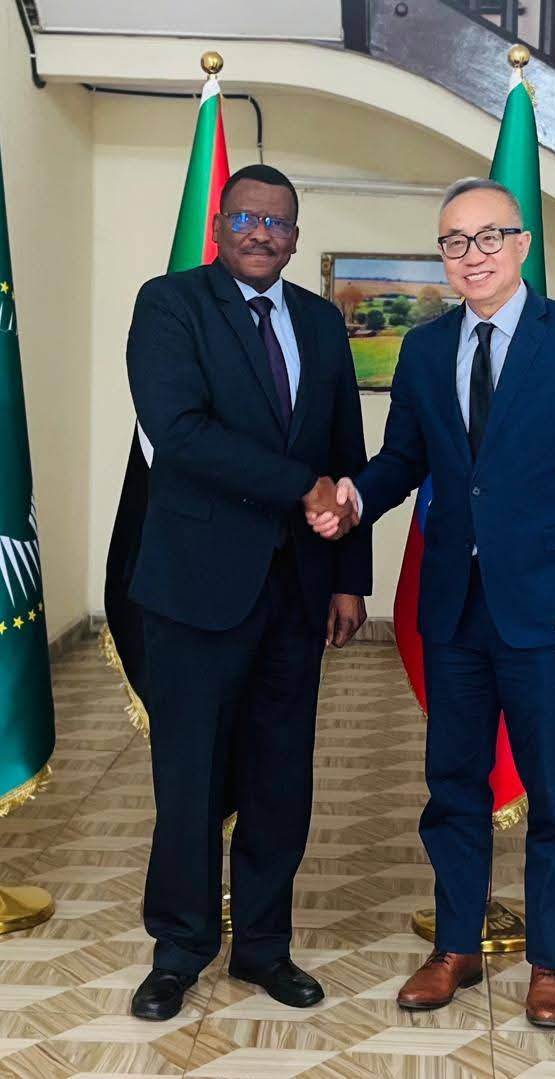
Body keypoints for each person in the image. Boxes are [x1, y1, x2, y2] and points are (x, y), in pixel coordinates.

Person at [309, 178, 555, 1027]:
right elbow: (403, 461)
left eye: (489, 236)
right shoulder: (426, 349)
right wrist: (354, 495)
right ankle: (455, 947)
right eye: (455, 242)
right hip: (454, 609)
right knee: (453, 786)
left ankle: (553, 963)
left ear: (521, 244)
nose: (472, 254)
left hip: (552, 611)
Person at [126, 164, 371, 1021]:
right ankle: (179, 950)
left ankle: (264, 947)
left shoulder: (320, 321)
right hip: (195, 588)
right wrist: (300, 486)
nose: (262, 233)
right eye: (246, 218)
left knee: (280, 777)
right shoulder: (170, 305)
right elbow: (179, 432)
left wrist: (349, 580)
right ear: (220, 227)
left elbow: (345, 451)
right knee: (189, 777)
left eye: (278, 222)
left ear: (296, 237)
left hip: (298, 594)